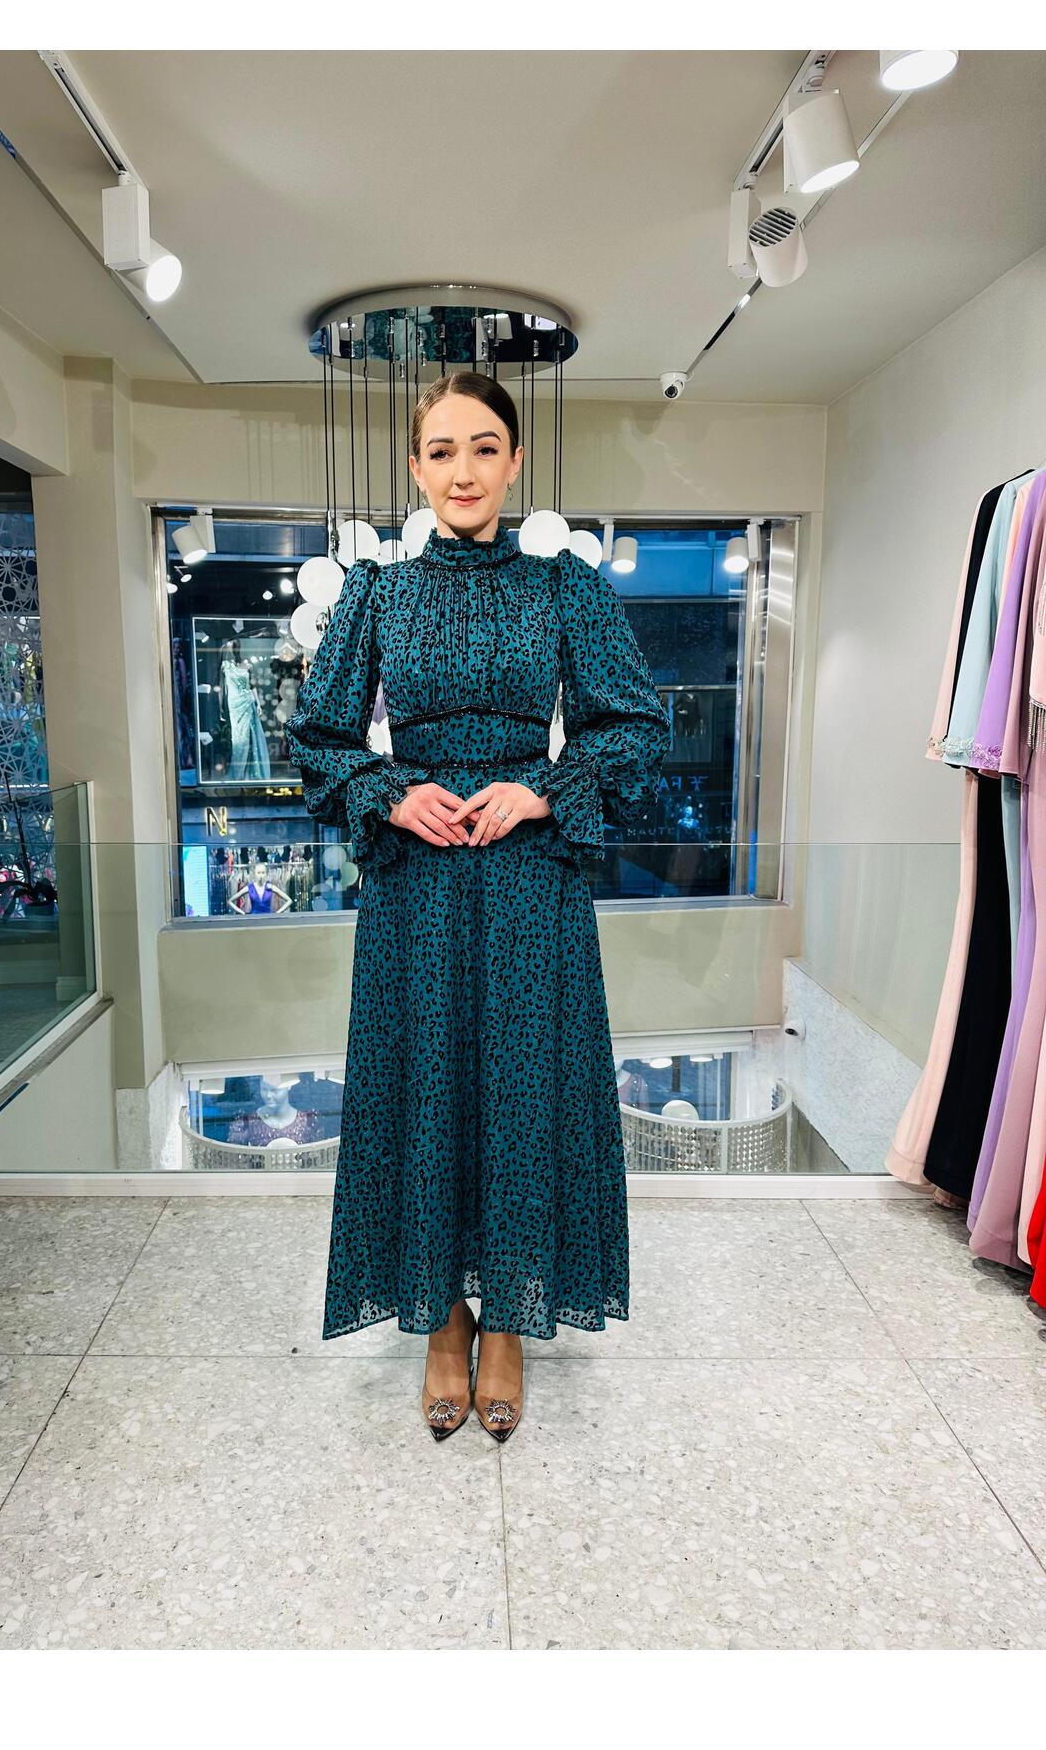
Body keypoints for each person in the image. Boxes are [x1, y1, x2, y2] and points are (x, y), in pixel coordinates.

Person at [286, 371, 672, 1442]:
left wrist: (541, 788)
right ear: (416, 468)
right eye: (443, 450)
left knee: (521, 1089)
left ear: (514, 462)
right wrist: (387, 791)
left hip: (529, 874)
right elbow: (318, 739)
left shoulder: (565, 588)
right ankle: (444, 1322)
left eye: (485, 447)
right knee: (427, 1087)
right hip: (414, 881)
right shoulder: (377, 593)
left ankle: (507, 1320)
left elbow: (634, 728)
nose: (464, 470)